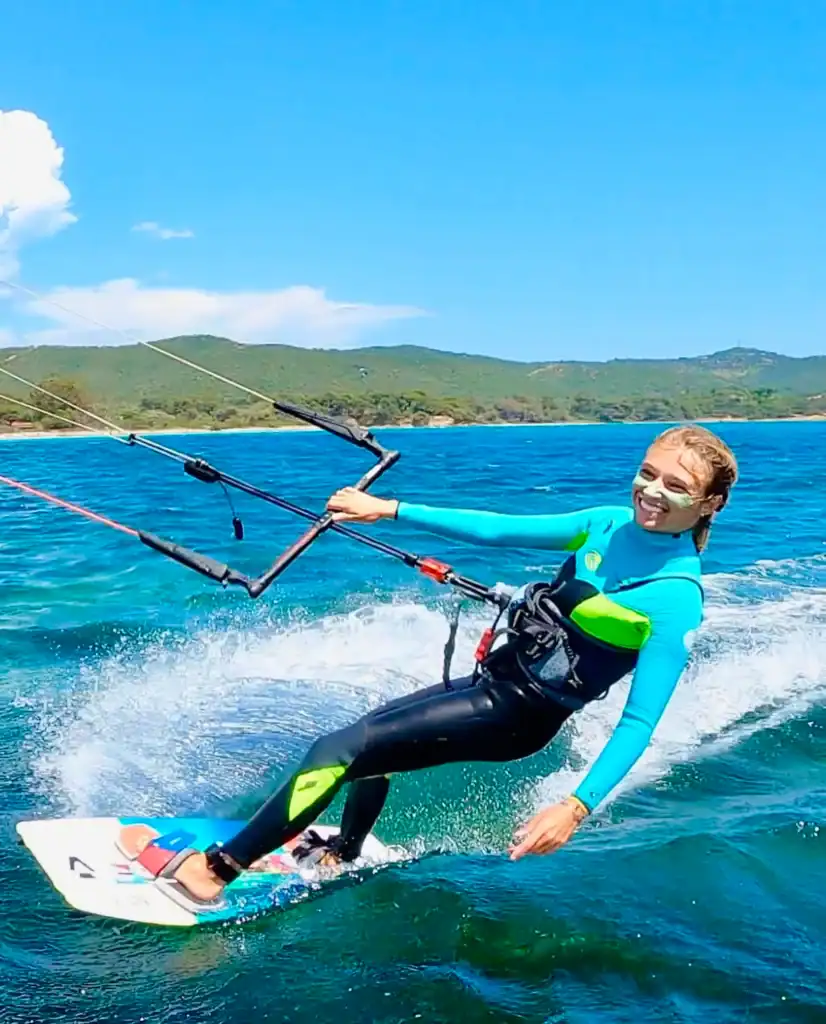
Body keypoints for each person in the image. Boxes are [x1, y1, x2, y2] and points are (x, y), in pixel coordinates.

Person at [120, 424, 738, 910]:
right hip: (491, 681)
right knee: (367, 743)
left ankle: (213, 872)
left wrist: (574, 808)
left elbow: (639, 721)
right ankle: (343, 850)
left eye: (676, 486)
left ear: (708, 503)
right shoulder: (607, 523)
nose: (652, 492)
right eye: (647, 474)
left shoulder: (676, 597)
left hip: (517, 718)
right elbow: (497, 530)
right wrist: (388, 509)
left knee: (336, 750)